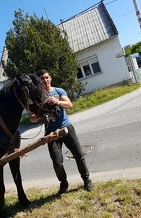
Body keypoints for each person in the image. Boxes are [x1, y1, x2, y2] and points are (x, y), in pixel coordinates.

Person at [31, 69, 93, 197]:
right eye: (42, 79)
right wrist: (33, 117)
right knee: (57, 162)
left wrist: (57, 101)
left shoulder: (58, 91)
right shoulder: (38, 97)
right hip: (51, 133)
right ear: (39, 82)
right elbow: (34, 117)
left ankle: (87, 180)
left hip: (66, 128)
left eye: (46, 77)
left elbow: (70, 105)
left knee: (78, 155)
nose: (45, 80)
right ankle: (63, 184)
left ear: (50, 78)